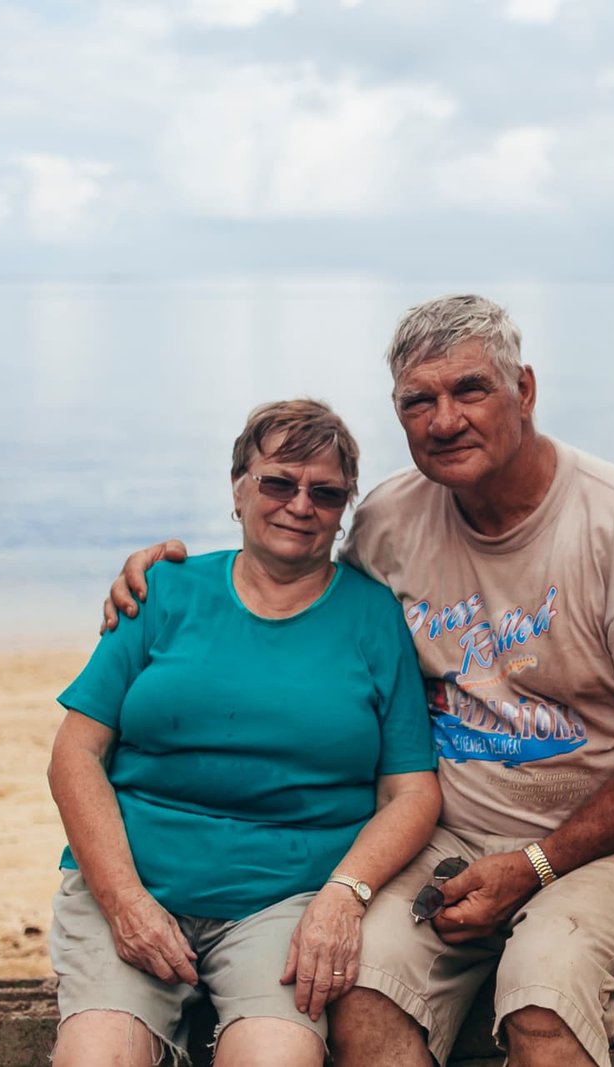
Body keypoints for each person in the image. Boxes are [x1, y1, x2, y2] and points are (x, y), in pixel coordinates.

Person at [105, 296, 614, 1067]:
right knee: (354, 990)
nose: (444, 420)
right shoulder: (387, 522)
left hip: (603, 839)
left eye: (470, 390)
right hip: (446, 832)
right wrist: (172, 575)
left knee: (545, 997)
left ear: (526, 391)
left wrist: (536, 866)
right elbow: (301, 606)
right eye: (419, 400)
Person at [51, 399, 441, 1067]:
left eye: (325, 492)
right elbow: (74, 754)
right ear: (238, 487)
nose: (300, 504)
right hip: (132, 883)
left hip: (284, 902)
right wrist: (124, 902)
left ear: (345, 508)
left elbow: (412, 792)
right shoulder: (164, 591)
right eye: (278, 481)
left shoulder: (372, 614)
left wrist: (344, 895)